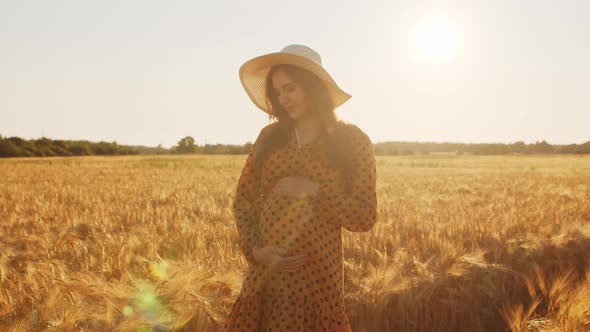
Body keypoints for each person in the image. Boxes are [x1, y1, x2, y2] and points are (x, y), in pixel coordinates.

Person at [223, 44, 379, 331]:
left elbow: (365, 216)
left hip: (316, 288)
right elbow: (242, 201)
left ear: (313, 86)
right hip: (264, 283)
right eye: (276, 93)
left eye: (289, 89)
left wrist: (315, 191)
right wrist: (255, 251)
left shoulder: (351, 140)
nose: (282, 99)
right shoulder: (269, 137)